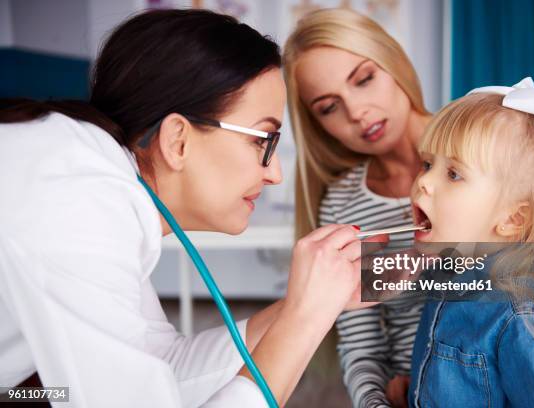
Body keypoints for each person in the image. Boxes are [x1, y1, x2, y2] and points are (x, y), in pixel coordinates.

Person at [0, 9, 377, 407]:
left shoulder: (92, 182)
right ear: (178, 139)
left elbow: (163, 369)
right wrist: (305, 320)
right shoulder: (75, 205)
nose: (275, 174)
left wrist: (310, 303)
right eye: (262, 140)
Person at [407, 78, 534, 407]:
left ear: (513, 219)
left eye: (454, 174)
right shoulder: (446, 272)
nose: (423, 181)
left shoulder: (521, 317)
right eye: (427, 164)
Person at [283, 8, 431, 407]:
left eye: (364, 79)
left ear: (392, 60)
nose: (356, 112)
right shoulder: (343, 205)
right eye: (329, 107)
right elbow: (360, 344)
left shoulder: (483, 145)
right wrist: (375, 401)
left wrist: (418, 268)